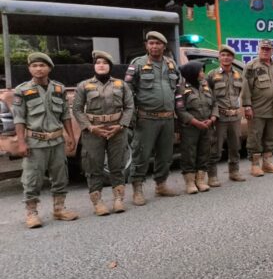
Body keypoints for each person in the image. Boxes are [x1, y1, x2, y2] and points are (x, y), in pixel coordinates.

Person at [14, 52, 77, 228]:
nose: (38, 69)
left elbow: (65, 115)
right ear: (29, 69)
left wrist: (70, 136)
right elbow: (19, 119)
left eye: (42, 65)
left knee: (60, 176)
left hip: (56, 141)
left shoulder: (59, 89)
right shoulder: (22, 90)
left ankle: (59, 209)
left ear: (49, 68)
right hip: (35, 142)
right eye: (34, 66)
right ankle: (32, 213)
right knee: (32, 178)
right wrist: (21, 142)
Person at [72, 50, 134, 216]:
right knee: (94, 167)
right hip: (94, 132)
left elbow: (129, 107)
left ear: (110, 66)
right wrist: (90, 127)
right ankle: (98, 202)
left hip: (117, 130)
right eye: (98, 62)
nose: (101, 65)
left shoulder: (121, 85)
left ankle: (118, 199)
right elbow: (77, 109)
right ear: (94, 66)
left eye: (105, 63)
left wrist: (121, 125)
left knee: (117, 165)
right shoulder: (84, 86)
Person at [126, 31, 180, 205]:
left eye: (158, 43)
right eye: (151, 43)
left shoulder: (171, 64)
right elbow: (127, 90)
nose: (154, 46)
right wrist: (131, 115)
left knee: (165, 155)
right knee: (141, 154)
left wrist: (179, 112)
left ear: (164, 46)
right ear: (146, 46)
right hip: (146, 118)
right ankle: (137, 189)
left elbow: (178, 88)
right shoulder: (138, 64)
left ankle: (161, 185)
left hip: (168, 118)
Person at [241, 39, 273, 176]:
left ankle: (267, 163)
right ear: (258, 50)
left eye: (268, 49)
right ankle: (254, 165)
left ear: (272, 51)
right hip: (257, 109)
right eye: (263, 49)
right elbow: (245, 88)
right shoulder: (251, 66)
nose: (265, 51)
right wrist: (247, 106)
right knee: (255, 137)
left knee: (271, 137)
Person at [207, 44, 246, 186]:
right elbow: (208, 96)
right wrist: (212, 115)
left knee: (235, 146)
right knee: (215, 147)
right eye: (223, 55)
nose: (226, 57)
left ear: (232, 58)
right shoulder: (212, 75)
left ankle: (234, 172)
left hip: (235, 117)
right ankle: (212, 176)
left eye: (228, 55)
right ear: (219, 57)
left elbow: (240, 94)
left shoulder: (238, 75)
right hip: (220, 117)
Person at [176, 61, 218, 194]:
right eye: (200, 71)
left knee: (204, 152)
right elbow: (180, 110)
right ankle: (190, 182)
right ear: (192, 73)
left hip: (207, 126)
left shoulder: (205, 86)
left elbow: (215, 103)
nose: (203, 74)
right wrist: (195, 122)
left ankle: (200, 180)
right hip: (190, 128)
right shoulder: (181, 89)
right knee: (189, 154)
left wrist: (213, 118)